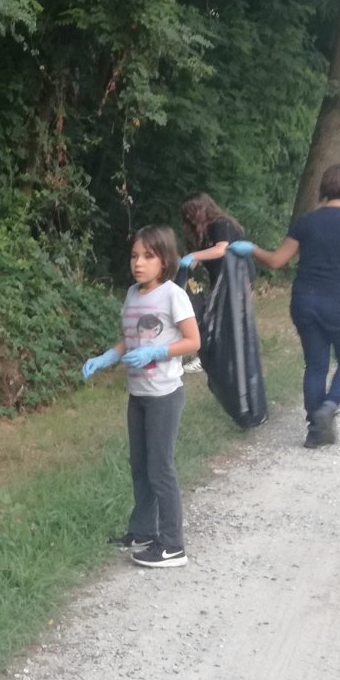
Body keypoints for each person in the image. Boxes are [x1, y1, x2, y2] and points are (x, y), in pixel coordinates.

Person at [232, 163, 340, 448]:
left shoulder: (305, 223)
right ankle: (329, 406)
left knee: (316, 364)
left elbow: (276, 261)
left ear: (324, 188)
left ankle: (315, 431)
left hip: (305, 301)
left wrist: (251, 249)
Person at [80, 225, 201, 568]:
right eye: (134, 255)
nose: (139, 263)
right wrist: (108, 356)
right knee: (140, 465)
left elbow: (193, 341)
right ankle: (144, 530)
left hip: (165, 395)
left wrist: (157, 352)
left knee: (160, 467)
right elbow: (129, 340)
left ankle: (173, 545)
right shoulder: (133, 293)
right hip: (138, 395)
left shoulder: (172, 295)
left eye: (148, 256)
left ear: (165, 261)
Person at [173, 194, 249, 375]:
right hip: (220, 279)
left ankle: (213, 358)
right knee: (214, 318)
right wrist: (178, 268)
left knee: (223, 319)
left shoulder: (220, 225)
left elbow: (221, 249)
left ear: (201, 209)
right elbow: (195, 259)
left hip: (236, 278)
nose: (189, 218)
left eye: (191, 213)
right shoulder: (203, 233)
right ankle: (219, 357)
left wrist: (193, 256)